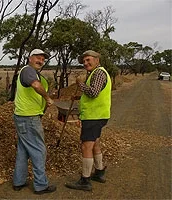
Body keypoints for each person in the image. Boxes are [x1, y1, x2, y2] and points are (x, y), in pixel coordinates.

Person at [65, 50, 112, 191]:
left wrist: (80, 83)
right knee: (95, 143)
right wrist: (79, 98)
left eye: (88, 60)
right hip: (98, 115)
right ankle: (99, 172)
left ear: (97, 60)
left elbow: (93, 92)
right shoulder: (97, 73)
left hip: (94, 116)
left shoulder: (98, 73)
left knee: (86, 146)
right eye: (84, 61)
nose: (85, 63)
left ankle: (85, 180)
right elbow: (95, 94)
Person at [12, 49, 56, 195]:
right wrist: (47, 98)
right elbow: (36, 86)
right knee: (39, 150)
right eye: (38, 57)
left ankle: (18, 181)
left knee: (23, 150)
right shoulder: (28, 71)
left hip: (23, 117)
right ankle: (41, 185)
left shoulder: (29, 72)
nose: (40, 61)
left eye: (43, 59)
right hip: (29, 118)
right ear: (29, 58)